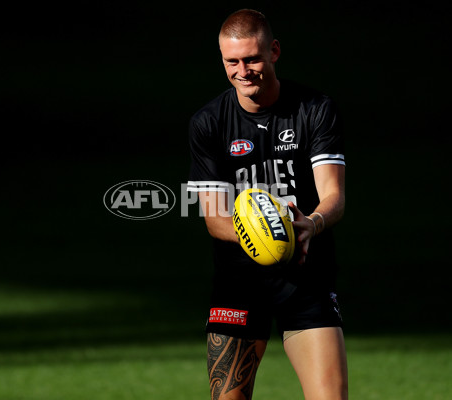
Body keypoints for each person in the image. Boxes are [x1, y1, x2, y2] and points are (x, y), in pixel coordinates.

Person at [186, 9, 348, 400]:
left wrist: (311, 223)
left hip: (305, 277)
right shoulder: (209, 123)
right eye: (232, 61)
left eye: (252, 58)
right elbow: (214, 218)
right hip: (238, 282)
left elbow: (335, 197)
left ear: (273, 51)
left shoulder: (314, 109)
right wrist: (262, 236)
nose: (243, 70)